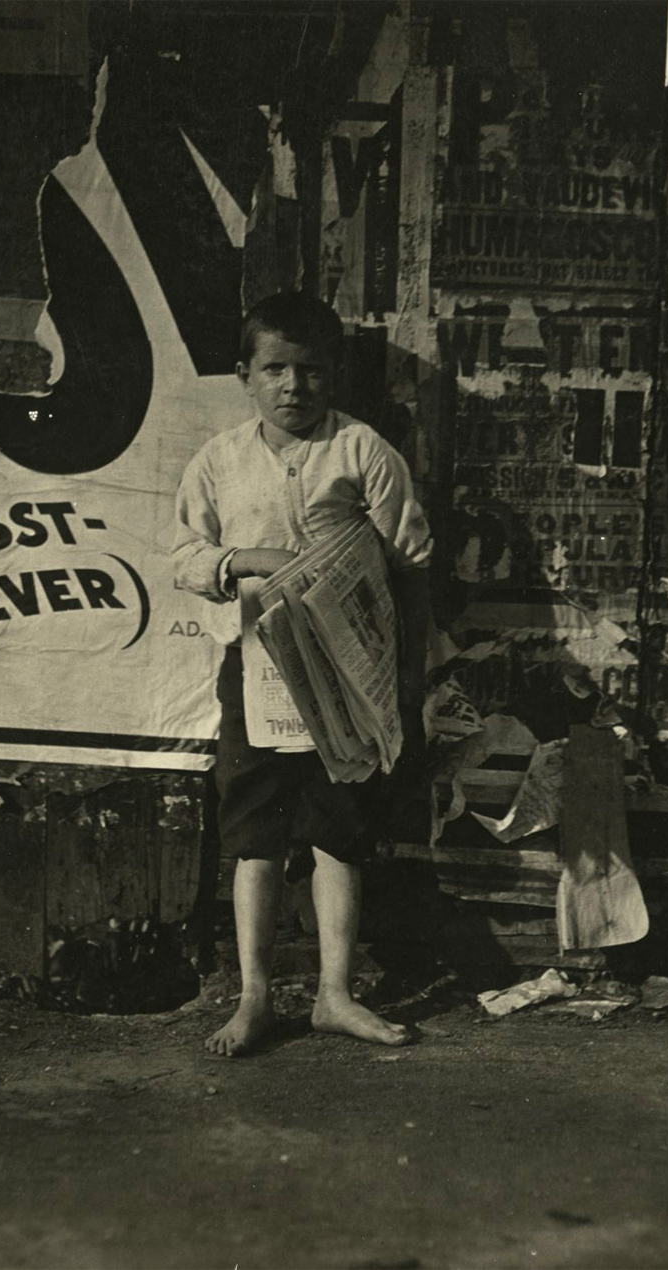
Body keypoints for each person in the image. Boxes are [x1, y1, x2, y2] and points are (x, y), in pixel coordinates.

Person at [172, 292, 432, 1057]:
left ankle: (333, 995)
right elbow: (186, 557)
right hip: (256, 671)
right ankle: (253, 997)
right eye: (275, 369)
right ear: (245, 375)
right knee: (255, 833)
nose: (294, 387)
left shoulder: (362, 453)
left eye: (311, 371)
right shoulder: (218, 461)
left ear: (336, 374)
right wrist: (248, 560)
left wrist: (405, 682)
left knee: (341, 830)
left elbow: (411, 562)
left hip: (350, 674)